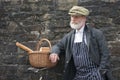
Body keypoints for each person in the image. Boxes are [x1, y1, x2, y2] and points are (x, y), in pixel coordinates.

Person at [49, 6, 114, 80]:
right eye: (72, 16)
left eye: (76, 17)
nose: (73, 19)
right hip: (78, 75)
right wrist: (54, 52)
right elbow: (57, 46)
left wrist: (100, 72)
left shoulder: (96, 34)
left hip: (95, 74)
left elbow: (105, 55)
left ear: (84, 18)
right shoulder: (69, 37)